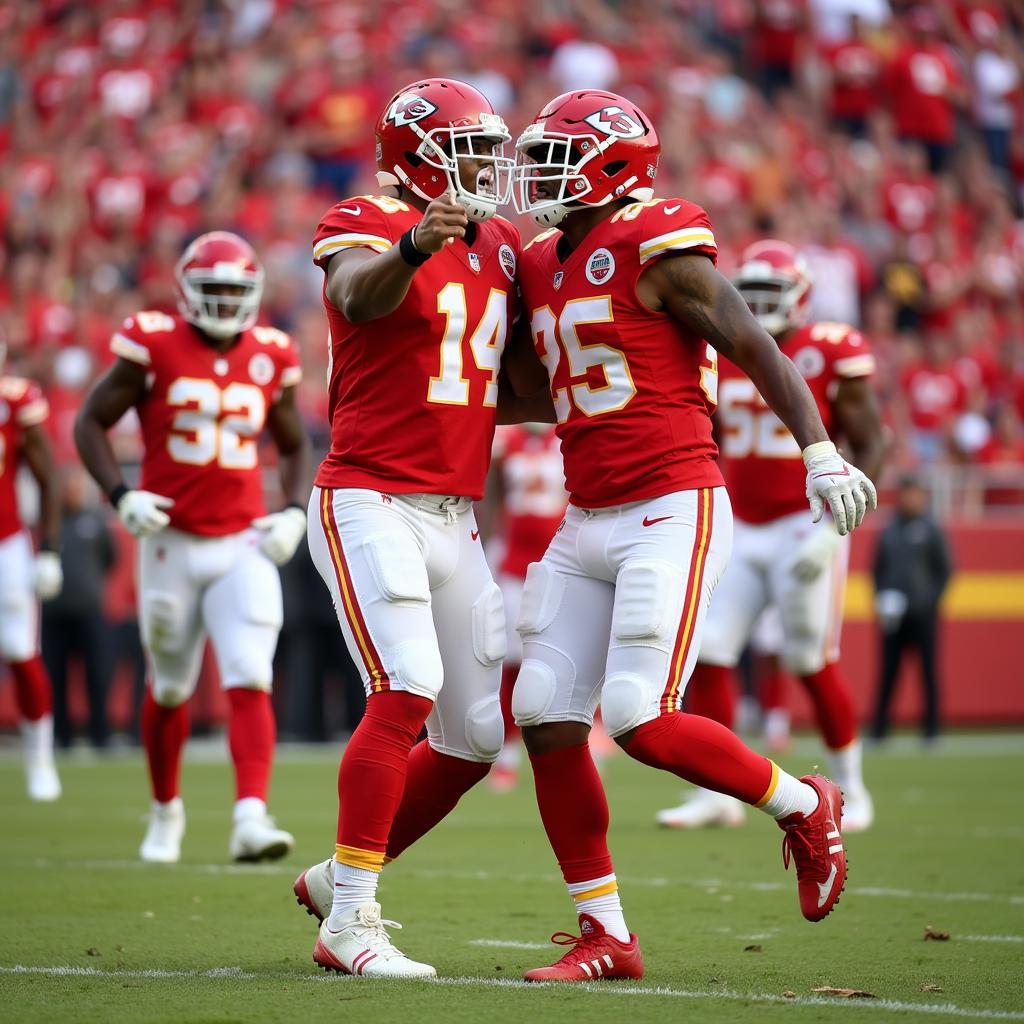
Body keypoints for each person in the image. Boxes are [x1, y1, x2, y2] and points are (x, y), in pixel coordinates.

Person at [508, 90, 877, 981]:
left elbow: (753, 342)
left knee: (636, 716)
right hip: (586, 509)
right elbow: (537, 389)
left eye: (557, 158)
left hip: (670, 501)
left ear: (610, 167)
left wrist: (819, 449)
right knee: (544, 713)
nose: (539, 176)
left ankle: (803, 801)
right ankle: (608, 936)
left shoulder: (656, 242)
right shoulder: (542, 259)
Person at [289, 79, 545, 979]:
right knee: (406, 688)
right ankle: (351, 921)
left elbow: (510, 385)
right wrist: (410, 241)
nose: (487, 167)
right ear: (419, 155)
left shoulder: (502, 243)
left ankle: (337, 877)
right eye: (470, 148)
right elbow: (359, 295)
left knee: (475, 738)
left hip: (454, 513)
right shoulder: (362, 218)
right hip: (369, 496)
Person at [75, 231, 312, 863]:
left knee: (250, 675)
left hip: (243, 540)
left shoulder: (271, 353)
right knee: (171, 686)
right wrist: (119, 494)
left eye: (237, 290)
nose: (226, 302)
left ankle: (250, 817)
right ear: (186, 292)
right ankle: (165, 810)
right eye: (214, 290)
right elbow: (90, 421)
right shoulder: (152, 344)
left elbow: (292, 442)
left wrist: (291, 510)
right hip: (170, 543)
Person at [658, 241, 885, 833]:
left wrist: (837, 531)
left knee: (810, 657)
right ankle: (718, 795)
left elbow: (872, 443)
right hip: (741, 518)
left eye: (769, 295)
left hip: (803, 523)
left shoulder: (827, 349)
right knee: (709, 654)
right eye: (748, 294)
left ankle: (854, 790)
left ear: (801, 298)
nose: (755, 307)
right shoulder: (720, 348)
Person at [479, 423, 567, 791]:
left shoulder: (565, 437)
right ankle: (507, 756)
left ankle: (577, 744)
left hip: (559, 561)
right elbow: (492, 496)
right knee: (512, 661)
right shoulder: (506, 441)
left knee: (564, 657)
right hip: (515, 561)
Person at [0, 338, 64, 800]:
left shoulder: (15, 400)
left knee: (21, 652)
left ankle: (39, 759)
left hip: (7, 544)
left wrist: (49, 550)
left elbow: (47, 476)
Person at [871, 474, 952, 742]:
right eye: (906, 494)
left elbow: (944, 572)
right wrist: (882, 598)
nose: (910, 499)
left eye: (915, 494)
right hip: (893, 617)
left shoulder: (932, 529)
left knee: (928, 672)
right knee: (888, 674)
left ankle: (931, 730)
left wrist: (927, 603)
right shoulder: (889, 530)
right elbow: (877, 570)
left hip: (923, 616)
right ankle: (879, 731)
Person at [42, 465, 115, 750]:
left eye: (75, 486)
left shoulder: (95, 522)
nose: (71, 492)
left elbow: (110, 559)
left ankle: (101, 735)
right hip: (55, 612)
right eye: (67, 487)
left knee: (96, 675)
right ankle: (62, 736)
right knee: (56, 678)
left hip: (89, 611)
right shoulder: (51, 522)